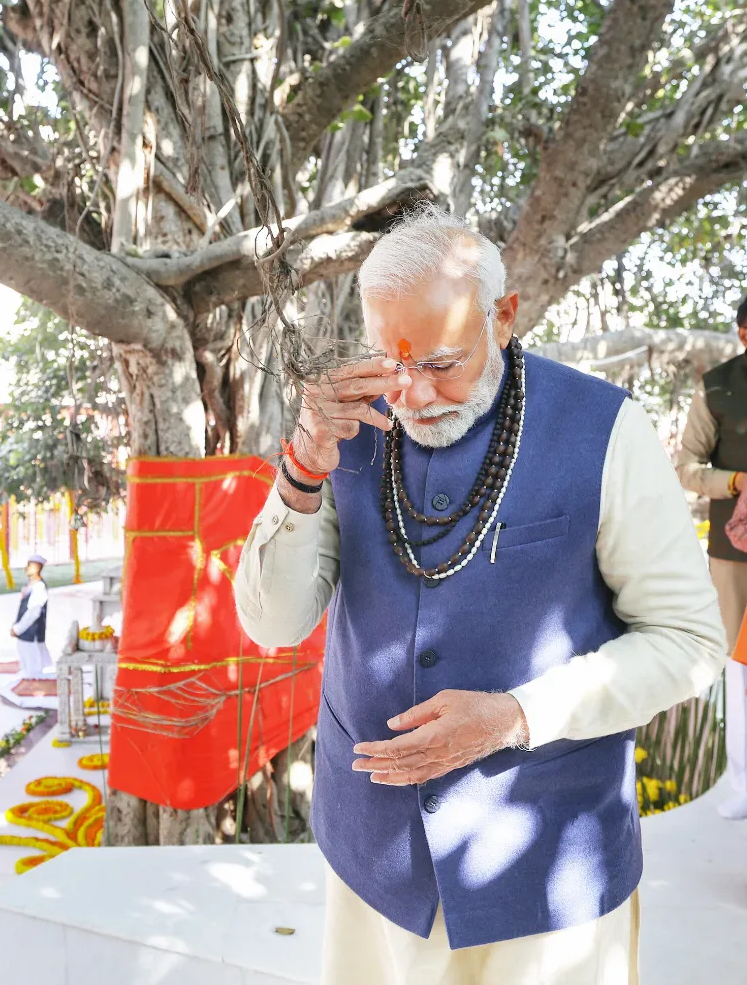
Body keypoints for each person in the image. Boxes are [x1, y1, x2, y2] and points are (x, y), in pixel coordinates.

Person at [235, 205, 726, 985]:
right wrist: (300, 465)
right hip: (372, 858)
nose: (414, 397)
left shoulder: (604, 430)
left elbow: (689, 642)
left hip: (548, 876)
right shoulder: (346, 425)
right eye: (395, 366)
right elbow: (271, 623)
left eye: (440, 363)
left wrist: (516, 716)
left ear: (503, 318)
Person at [676, 296, 747, 820]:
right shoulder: (718, 387)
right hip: (735, 552)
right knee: (739, 666)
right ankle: (743, 782)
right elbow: (688, 467)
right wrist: (735, 482)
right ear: (743, 335)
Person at [11, 554, 51, 679]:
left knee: (33, 669)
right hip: (25, 634)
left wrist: (18, 628)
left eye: (30, 565)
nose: (26, 568)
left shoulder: (39, 587)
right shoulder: (31, 585)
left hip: (31, 634)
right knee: (26, 665)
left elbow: (33, 613)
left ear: (37, 567)